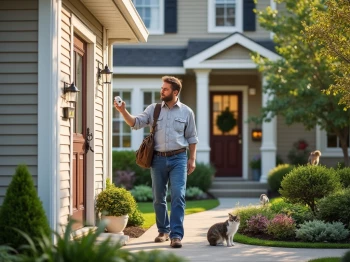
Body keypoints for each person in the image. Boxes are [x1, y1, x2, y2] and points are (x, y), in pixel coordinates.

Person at [114, 76, 198, 248]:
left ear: (175, 92)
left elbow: (192, 137)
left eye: (165, 89)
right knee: (158, 197)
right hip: (158, 158)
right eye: (162, 88)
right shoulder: (154, 109)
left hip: (179, 158)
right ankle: (163, 231)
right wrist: (123, 111)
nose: (162, 91)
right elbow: (136, 123)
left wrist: (192, 159)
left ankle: (176, 235)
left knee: (178, 196)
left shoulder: (187, 112)